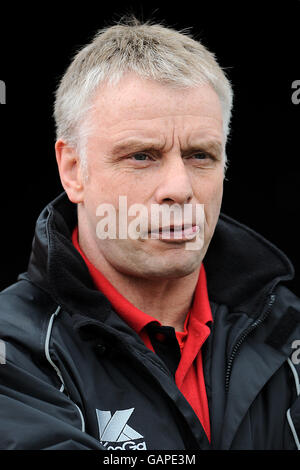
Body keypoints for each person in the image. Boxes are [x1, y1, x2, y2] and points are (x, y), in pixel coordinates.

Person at [0, 17, 299, 451]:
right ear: (72, 169)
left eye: (201, 155)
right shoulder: (16, 351)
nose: (179, 188)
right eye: (142, 155)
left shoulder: (287, 333)